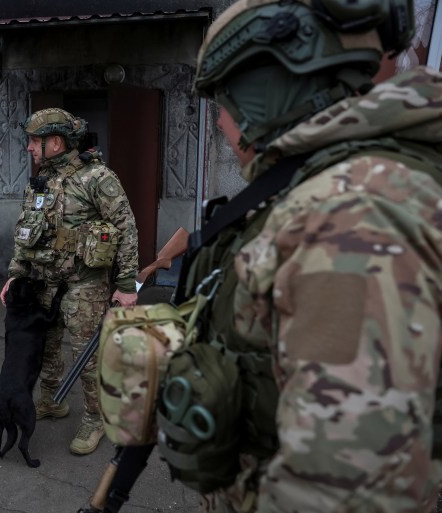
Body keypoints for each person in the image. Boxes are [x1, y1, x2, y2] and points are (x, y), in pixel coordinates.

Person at [133, 0, 442, 512]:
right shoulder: (330, 185)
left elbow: (340, 487)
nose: (224, 129)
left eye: (225, 104)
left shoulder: (351, 217)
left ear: (268, 93)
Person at [0, 108, 139, 455]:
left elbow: (126, 228)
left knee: (87, 357)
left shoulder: (97, 177)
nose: (29, 148)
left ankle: (96, 418)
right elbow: (26, 229)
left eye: (34, 141)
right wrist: (16, 273)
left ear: (56, 142)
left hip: (85, 284)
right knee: (44, 346)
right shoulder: (41, 179)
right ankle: (51, 400)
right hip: (44, 280)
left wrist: (125, 285)